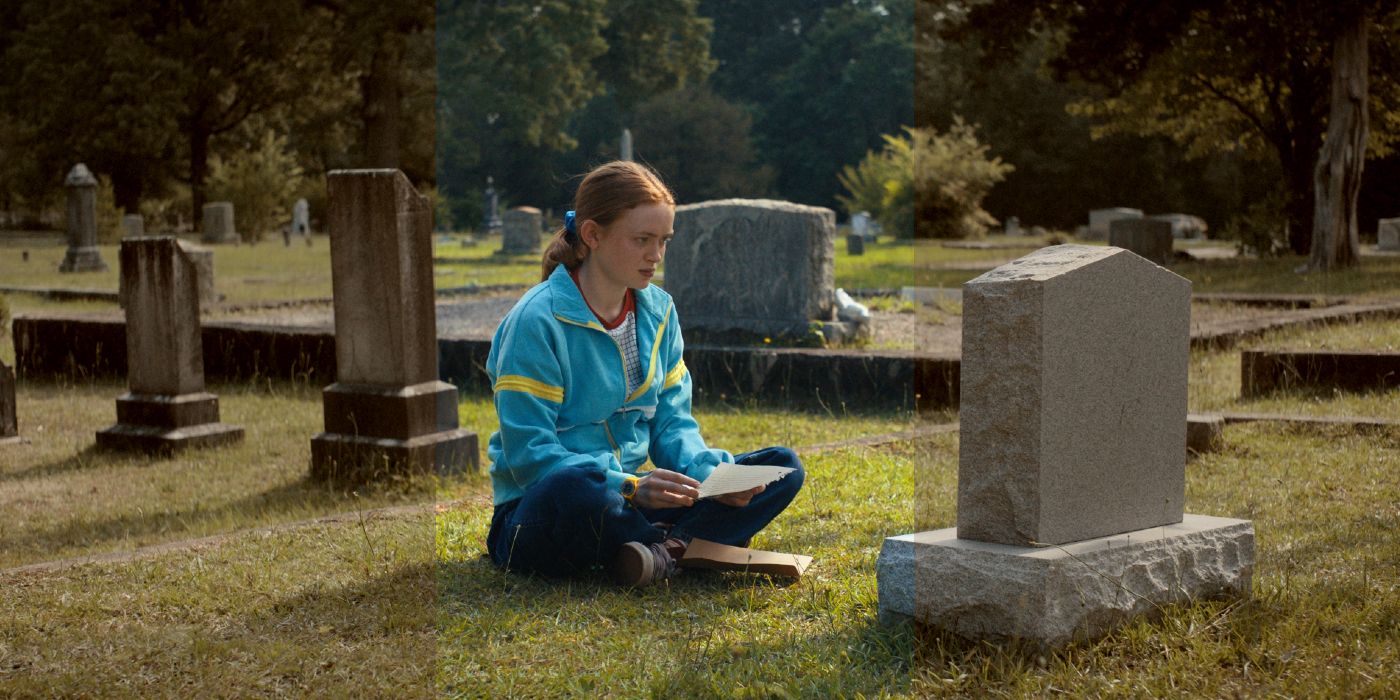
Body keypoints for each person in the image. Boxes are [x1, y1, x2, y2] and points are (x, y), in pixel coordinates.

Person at [484, 161, 804, 587]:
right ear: (593, 235)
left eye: (663, 241)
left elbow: (672, 423)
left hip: (631, 506)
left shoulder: (659, 311)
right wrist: (630, 485)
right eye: (641, 240)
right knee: (579, 488)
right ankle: (687, 546)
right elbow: (530, 457)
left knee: (782, 466)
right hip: (544, 510)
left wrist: (711, 476)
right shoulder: (536, 321)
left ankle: (658, 552)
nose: (655, 256)